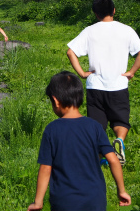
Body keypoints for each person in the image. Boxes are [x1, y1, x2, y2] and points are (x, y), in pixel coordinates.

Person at [27, 71, 131, 211]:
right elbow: (113, 160)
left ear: (56, 101)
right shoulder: (95, 127)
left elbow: (46, 168)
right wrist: (122, 190)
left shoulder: (52, 130)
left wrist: (38, 202)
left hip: (64, 201)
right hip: (95, 199)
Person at [66, 0, 140, 166]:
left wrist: (82, 73)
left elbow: (70, 52)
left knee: (97, 124)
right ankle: (119, 140)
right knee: (120, 120)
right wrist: (131, 72)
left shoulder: (89, 31)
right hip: (118, 84)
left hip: (95, 85)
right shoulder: (126, 30)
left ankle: (97, 156)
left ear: (95, 14)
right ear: (114, 10)